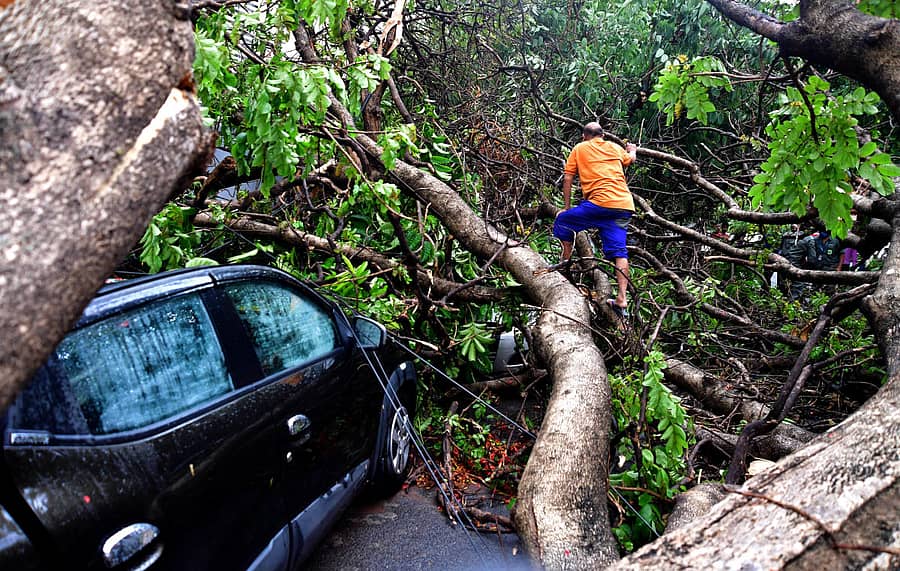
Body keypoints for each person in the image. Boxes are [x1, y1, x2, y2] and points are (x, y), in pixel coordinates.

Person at [553, 122, 637, 316]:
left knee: (564, 221)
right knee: (619, 252)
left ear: (584, 136)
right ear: (603, 135)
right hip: (623, 206)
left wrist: (566, 208)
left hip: (599, 204)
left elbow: (568, 178)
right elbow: (630, 159)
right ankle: (622, 300)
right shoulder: (615, 148)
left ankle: (565, 264)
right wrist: (632, 150)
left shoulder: (580, 148)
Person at [777, 224, 808, 300]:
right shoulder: (788, 236)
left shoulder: (801, 237)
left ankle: (789, 301)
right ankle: (789, 301)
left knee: (791, 283)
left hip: (789, 263)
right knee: (793, 283)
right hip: (789, 263)